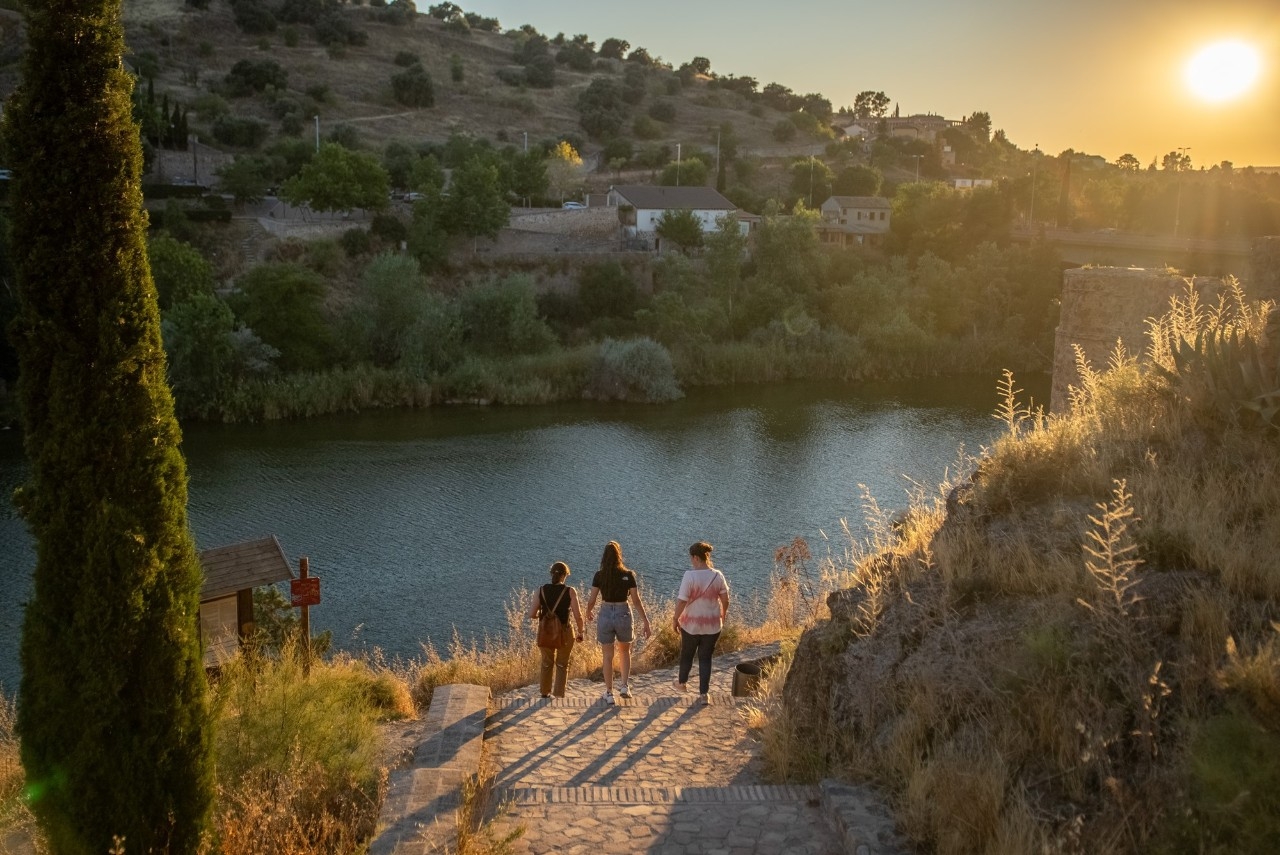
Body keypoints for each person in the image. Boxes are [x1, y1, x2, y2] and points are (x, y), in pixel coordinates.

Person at [584, 540, 652, 704]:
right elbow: (636, 600)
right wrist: (645, 621)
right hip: (623, 613)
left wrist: (588, 611)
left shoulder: (599, 575)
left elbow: (592, 599)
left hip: (606, 613)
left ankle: (609, 693)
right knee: (624, 651)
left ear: (604, 557)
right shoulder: (628, 575)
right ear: (619, 556)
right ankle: (624, 686)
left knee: (607, 656)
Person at [671, 541, 730, 704]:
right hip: (712, 626)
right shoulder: (718, 575)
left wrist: (675, 618)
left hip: (691, 625)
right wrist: (723, 615)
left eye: (691, 558)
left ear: (696, 557)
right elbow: (725, 599)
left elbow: (682, 601)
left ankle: (682, 683)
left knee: (687, 654)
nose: (691, 560)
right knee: (705, 658)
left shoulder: (689, 576)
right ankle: (704, 694)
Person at [528, 561, 585, 699]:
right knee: (562, 663)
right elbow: (578, 616)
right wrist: (580, 631)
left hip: (545, 631)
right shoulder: (570, 591)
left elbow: (531, 614)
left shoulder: (541, 590)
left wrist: (540, 617)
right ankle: (559, 694)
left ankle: (544, 692)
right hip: (565, 631)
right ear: (565, 575)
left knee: (546, 662)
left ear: (551, 574)